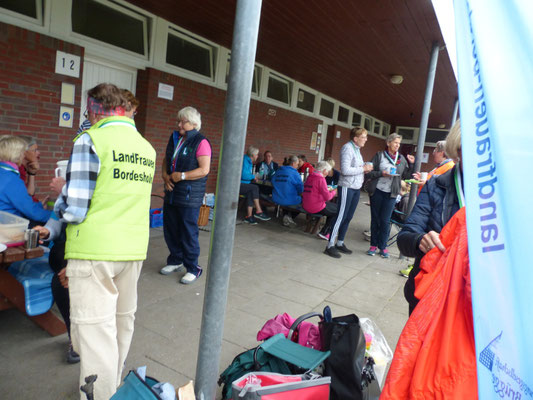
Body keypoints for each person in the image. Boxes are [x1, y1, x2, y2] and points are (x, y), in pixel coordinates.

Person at [53, 83, 156, 399]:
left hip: (94, 250)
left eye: (88, 111)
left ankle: (99, 394)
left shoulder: (91, 140)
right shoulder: (145, 148)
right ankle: (112, 389)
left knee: (95, 332)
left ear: (96, 109)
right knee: (121, 324)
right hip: (133, 249)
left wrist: (59, 193)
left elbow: (74, 210)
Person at [398, 121, 462, 314]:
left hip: (471, 306)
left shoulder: (505, 197)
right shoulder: (436, 185)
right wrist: (420, 241)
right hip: (428, 294)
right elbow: (406, 237)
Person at [160, 106, 211, 284]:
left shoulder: (201, 141)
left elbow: (204, 170)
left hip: (189, 196)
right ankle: (176, 259)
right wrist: (165, 176)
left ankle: (192, 267)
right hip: (172, 192)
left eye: (183, 121)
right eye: (179, 120)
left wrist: (181, 176)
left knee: (188, 232)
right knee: (171, 229)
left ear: (194, 124)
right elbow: (166, 160)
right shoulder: (175, 139)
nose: (179, 124)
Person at [324, 127, 373, 258]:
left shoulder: (357, 150)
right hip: (347, 186)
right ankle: (330, 245)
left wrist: (364, 169)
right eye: (363, 137)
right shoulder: (347, 148)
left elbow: (356, 168)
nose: (366, 139)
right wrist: (363, 168)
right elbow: (345, 170)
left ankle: (340, 242)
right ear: (355, 138)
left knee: (348, 216)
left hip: (356, 187)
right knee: (341, 215)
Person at [365, 133, 415, 258]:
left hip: (392, 193)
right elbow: (368, 173)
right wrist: (382, 173)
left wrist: (412, 164)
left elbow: (407, 176)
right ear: (388, 143)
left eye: (399, 143)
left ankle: (383, 247)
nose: (397, 145)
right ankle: (373, 245)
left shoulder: (402, 159)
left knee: (385, 220)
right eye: (395, 142)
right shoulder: (379, 155)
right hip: (377, 191)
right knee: (375, 219)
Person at [0, 135, 51, 224]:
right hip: (9, 229)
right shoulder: (11, 179)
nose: (24, 156)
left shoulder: (4, 172)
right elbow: (33, 213)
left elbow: (21, 201)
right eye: (23, 152)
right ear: (16, 154)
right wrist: (58, 217)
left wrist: (38, 205)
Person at [302, 161, 338, 240]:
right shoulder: (320, 179)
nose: (328, 173)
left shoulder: (310, 176)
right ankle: (325, 232)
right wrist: (334, 191)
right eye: (327, 171)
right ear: (324, 170)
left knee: (333, 208)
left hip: (305, 204)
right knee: (338, 210)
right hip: (315, 207)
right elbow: (328, 197)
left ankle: (324, 230)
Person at [239, 146, 271, 224]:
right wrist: (253, 176)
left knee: (251, 192)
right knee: (255, 188)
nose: (257, 156)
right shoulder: (245, 161)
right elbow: (243, 175)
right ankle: (259, 211)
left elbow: (246, 175)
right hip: (237, 184)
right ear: (252, 155)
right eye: (256, 155)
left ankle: (249, 217)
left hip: (244, 184)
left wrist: (252, 177)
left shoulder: (248, 161)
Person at [271, 155, 303, 227]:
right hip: (287, 200)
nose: (298, 166)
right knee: (303, 201)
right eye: (297, 164)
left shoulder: (279, 170)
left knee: (287, 197)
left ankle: (286, 215)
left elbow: (273, 181)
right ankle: (289, 217)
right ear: (293, 163)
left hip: (276, 198)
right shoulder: (295, 173)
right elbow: (300, 189)